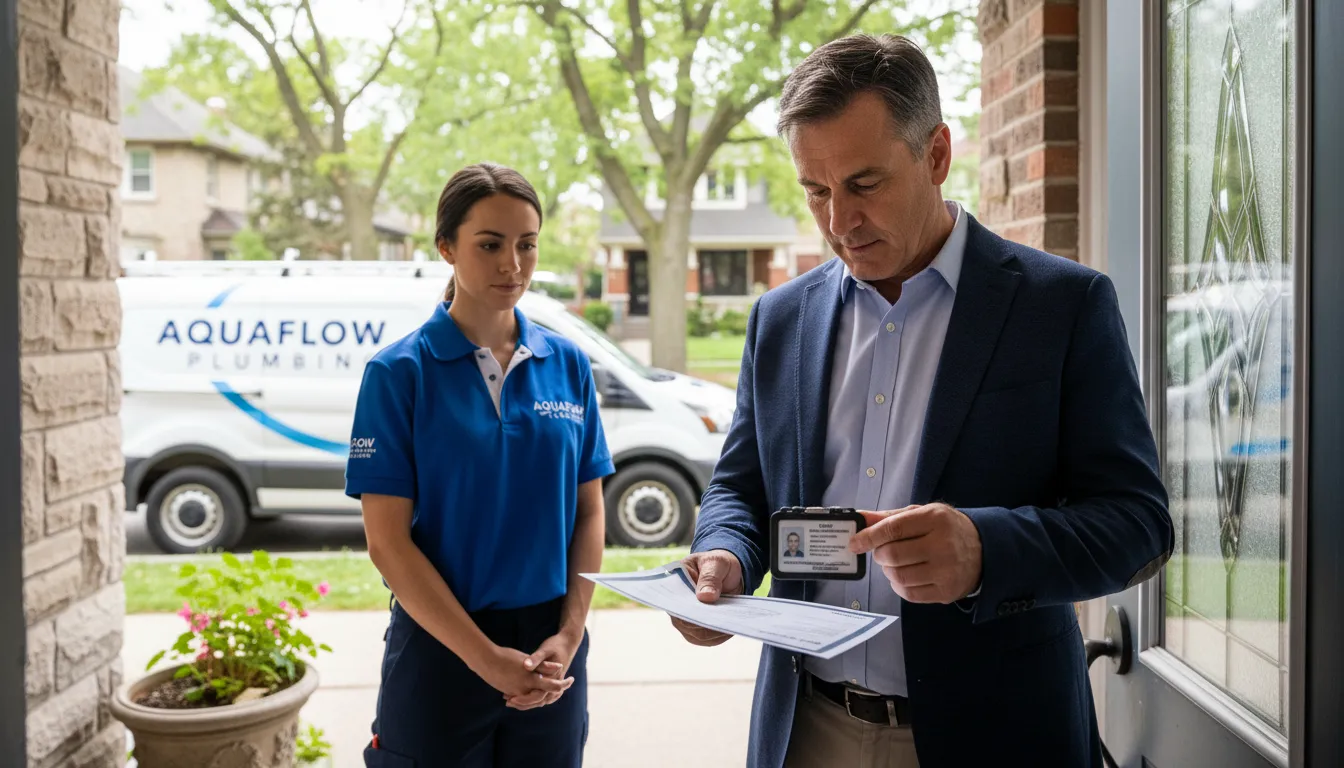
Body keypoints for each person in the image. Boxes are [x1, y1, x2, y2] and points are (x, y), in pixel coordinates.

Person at [673, 34, 1171, 768]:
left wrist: (983, 550)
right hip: (807, 730)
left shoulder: (1061, 306)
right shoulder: (780, 320)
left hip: (998, 737)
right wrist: (725, 553)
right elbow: (739, 486)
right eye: (817, 190)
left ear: (936, 154)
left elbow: (1138, 527)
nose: (840, 221)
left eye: (864, 183)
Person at [345, 162, 614, 767]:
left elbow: (589, 511)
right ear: (447, 247)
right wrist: (485, 658)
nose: (511, 265)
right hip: (441, 647)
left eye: (526, 244)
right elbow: (388, 544)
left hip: (551, 650)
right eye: (489, 245)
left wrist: (570, 633)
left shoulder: (568, 364)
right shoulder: (398, 374)